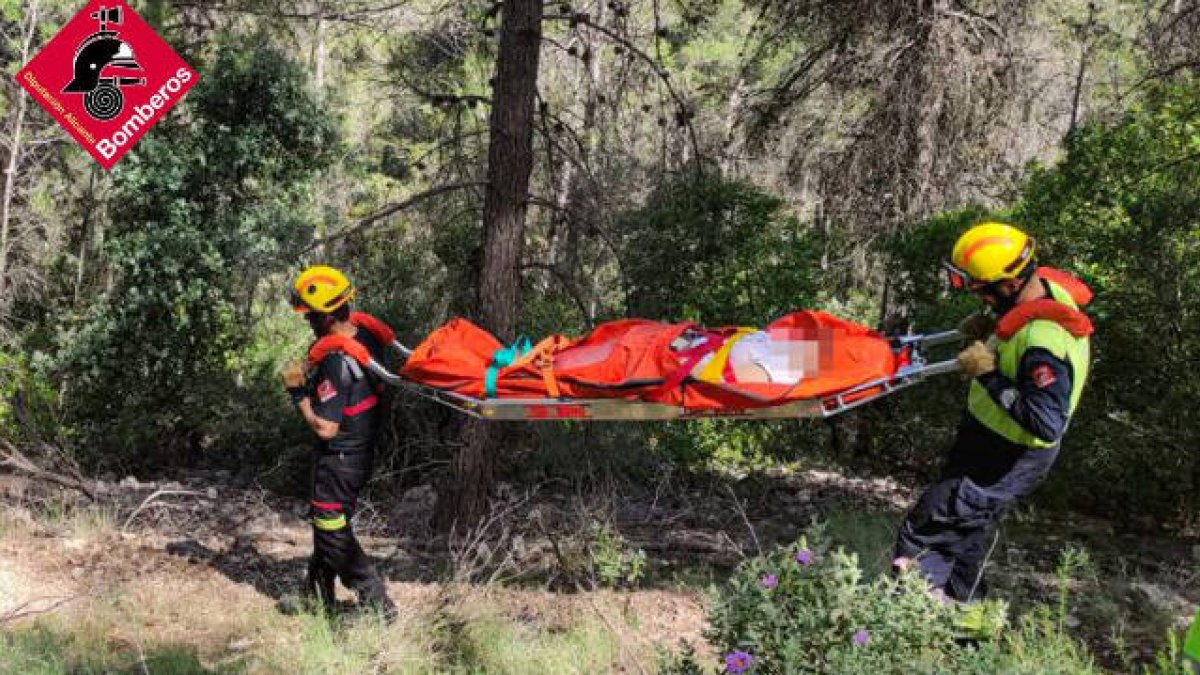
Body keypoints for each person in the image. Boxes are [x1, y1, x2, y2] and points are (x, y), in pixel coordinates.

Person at [894, 222, 1093, 605]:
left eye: (982, 291)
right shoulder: (1042, 290)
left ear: (1008, 285)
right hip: (988, 439)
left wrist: (988, 375)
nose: (979, 298)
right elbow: (1016, 335)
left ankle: (914, 619)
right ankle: (964, 618)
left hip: (1008, 454)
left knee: (927, 530)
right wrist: (992, 329)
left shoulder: (1043, 343)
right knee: (971, 528)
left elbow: (1045, 422)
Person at [280, 265, 396, 620]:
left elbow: (325, 427)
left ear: (328, 316)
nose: (308, 322)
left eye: (311, 315)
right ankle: (316, 596)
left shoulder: (335, 361)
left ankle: (377, 605)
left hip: (340, 456)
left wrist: (297, 391)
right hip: (359, 453)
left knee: (331, 530)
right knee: (326, 524)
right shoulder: (365, 338)